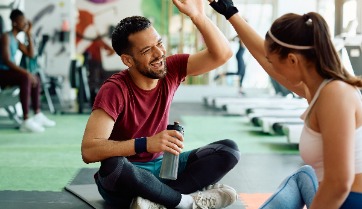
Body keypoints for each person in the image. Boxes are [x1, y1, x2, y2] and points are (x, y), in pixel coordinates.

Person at [81, 0, 241, 209]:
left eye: (159, 43)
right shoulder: (114, 89)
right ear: (128, 60)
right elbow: (89, 150)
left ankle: (157, 202)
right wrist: (145, 143)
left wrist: (198, 17)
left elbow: (222, 54)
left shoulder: (171, 69)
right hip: (128, 175)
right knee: (113, 165)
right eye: (147, 50)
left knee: (229, 150)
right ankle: (185, 202)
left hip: (164, 169)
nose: (159, 53)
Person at [209, 0, 362, 208]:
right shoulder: (318, 90)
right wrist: (230, 12)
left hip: (350, 202)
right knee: (303, 175)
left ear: (292, 60)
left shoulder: (336, 95)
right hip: (339, 197)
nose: (271, 68)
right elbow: (265, 57)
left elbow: (338, 184)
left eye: (274, 62)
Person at [0, 9, 55, 133]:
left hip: (9, 73)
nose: (25, 23)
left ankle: (37, 114)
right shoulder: (6, 37)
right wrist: (25, 73)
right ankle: (25, 120)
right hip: (2, 74)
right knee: (26, 77)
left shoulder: (16, 40)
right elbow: (7, 60)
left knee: (35, 77)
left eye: (26, 21)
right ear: (14, 22)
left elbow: (31, 54)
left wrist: (29, 34)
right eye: (22, 21)